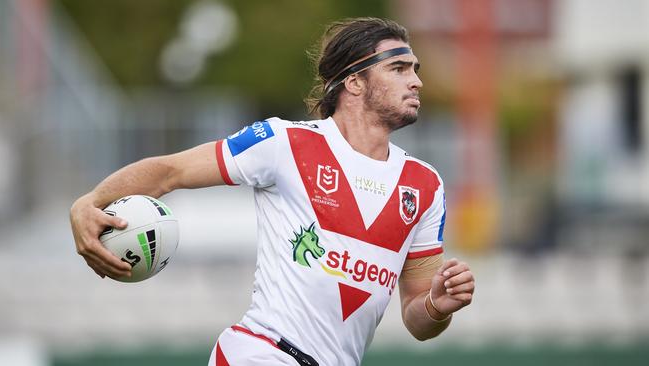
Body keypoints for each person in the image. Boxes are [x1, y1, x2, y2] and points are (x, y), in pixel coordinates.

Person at [70, 17, 475, 366]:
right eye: (400, 68)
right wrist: (88, 203)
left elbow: (417, 318)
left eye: (415, 69)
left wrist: (438, 306)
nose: (417, 81)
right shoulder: (284, 143)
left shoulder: (425, 185)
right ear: (354, 81)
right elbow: (170, 171)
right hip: (261, 353)